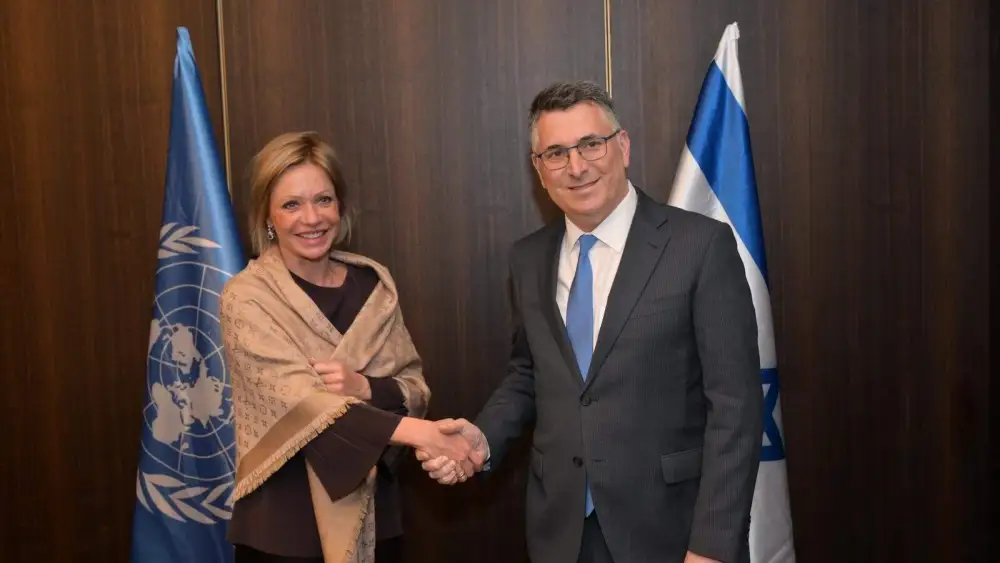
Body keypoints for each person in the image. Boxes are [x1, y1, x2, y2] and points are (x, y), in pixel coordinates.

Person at [418, 81, 764, 563]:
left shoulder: (700, 246)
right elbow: (529, 374)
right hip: (561, 532)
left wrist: (712, 546)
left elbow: (736, 407)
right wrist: (482, 437)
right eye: (556, 153)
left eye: (591, 145)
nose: (576, 166)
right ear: (539, 170)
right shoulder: (528, 259)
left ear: (622, 147)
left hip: (670, 531)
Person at [220, 131, 475, 563]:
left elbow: (413, 386)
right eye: (291, 204)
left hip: (377, 517)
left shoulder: (374, 286)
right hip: (284, 529)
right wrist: (425, 435)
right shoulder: (247, 298)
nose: (311, 218)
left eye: (323, 200)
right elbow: (304, 406)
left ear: (341, 205)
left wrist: (367, 388)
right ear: (267, 215)